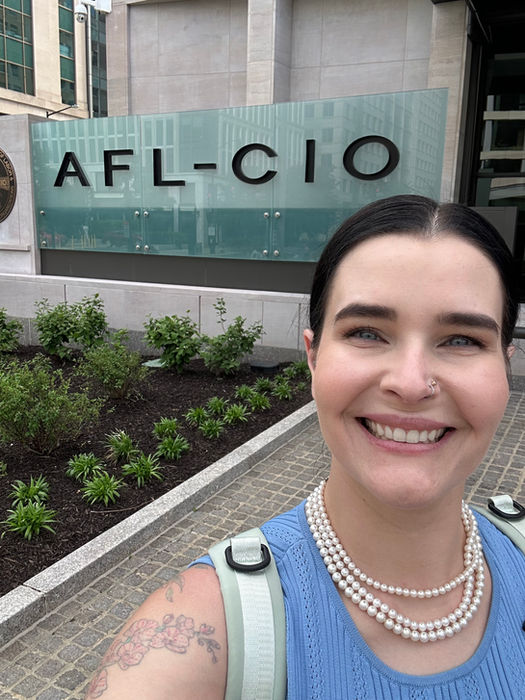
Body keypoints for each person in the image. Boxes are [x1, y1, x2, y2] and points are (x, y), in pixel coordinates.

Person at [85, 195, 525, 699]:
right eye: (366, 332)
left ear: (504, 365)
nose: (411, 383)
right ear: (313, 357)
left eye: (462, 340)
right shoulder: (202, 636)